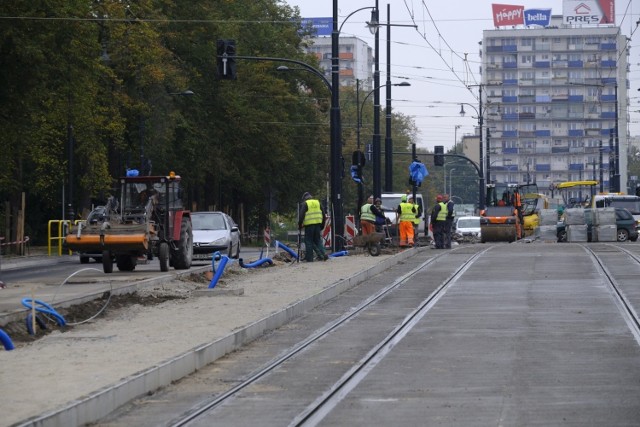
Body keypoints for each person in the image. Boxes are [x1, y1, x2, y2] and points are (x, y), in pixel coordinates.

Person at [298, 192, 328, 262]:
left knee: (308, 241)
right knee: (318, 240)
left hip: (309, 226)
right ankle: (324, 254)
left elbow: (301, 215)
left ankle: (309, 259)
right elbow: (323, 215)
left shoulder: (305, 204)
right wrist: (322, 225)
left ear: (305, 198)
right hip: (318, 225)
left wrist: (300, 225)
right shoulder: (318, 203)